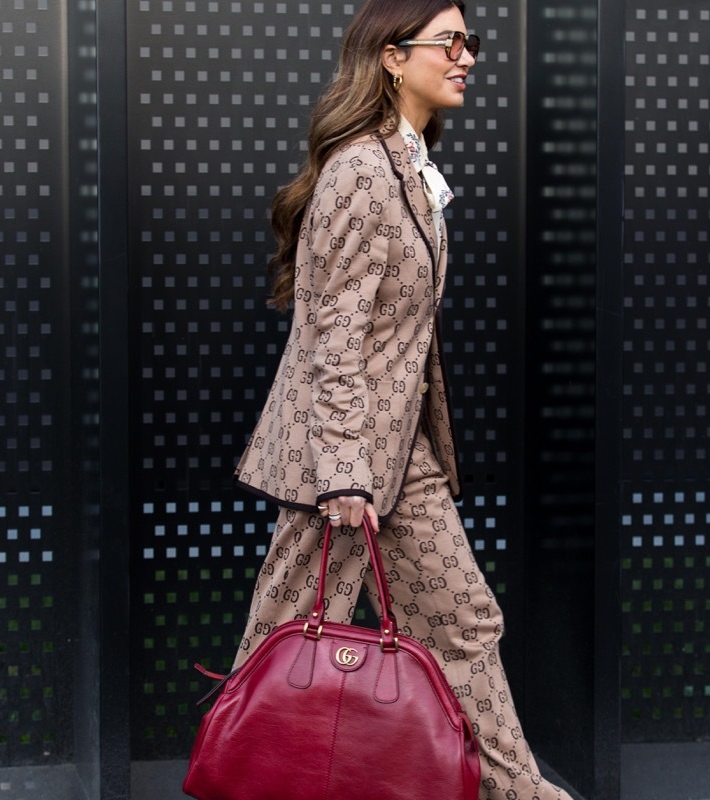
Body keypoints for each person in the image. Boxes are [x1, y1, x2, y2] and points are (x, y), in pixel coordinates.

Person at [232, 1, 573, 798]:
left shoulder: (409, 164)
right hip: (340, 461)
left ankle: (521, 793)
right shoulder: (361, 169)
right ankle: (241, 779)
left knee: (464, 623)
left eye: (469, 42)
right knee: (284, 644)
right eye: (448, 43)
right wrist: (343, 473)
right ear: (391, 56)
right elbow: (333, 338)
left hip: (399, 452)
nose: (466, 57)